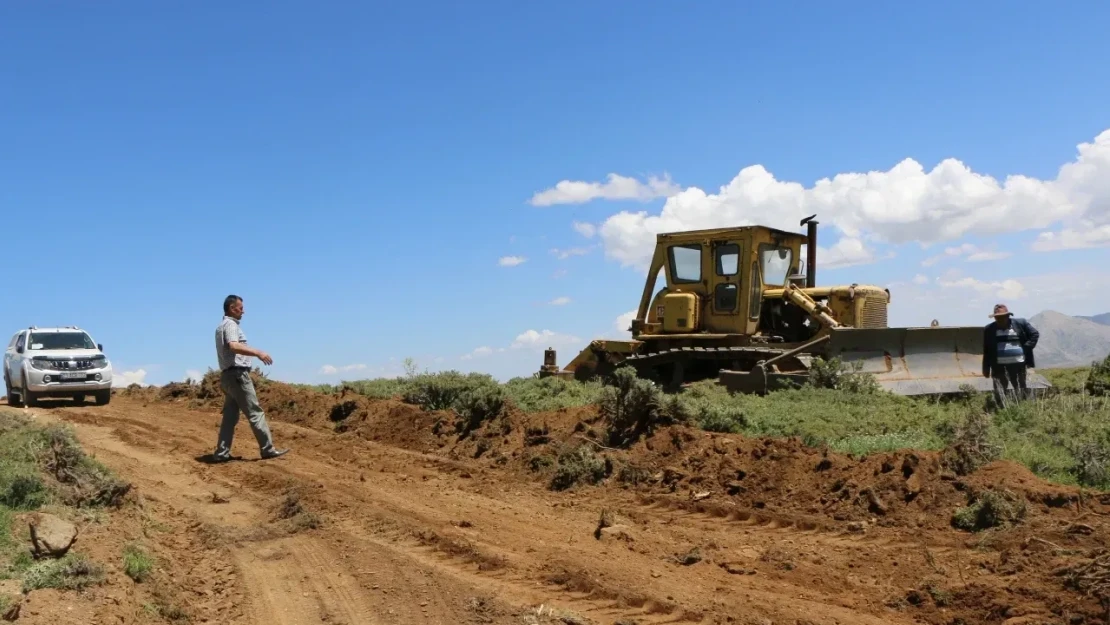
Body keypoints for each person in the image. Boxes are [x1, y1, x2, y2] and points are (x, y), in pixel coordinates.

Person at [212, 294, 289, 462]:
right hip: (238, 375)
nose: (243, 311)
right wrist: (258, 352)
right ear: (232, 309)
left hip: (227, 377)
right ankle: (267, 449)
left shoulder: (220, 326)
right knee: (255, 412)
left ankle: (221, 453)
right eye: (240, 308)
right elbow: (233, 345)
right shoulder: (231, 325)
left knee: (230, 417)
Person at [982, 303, 1039, 408]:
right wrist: (986, 368)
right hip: (998, 366)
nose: (1000, 320)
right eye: (998, 318)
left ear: (1008, 316)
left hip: (1018, 365)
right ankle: (1001, 410)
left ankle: (1023, 408)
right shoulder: (989, 329)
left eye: (1003, 317)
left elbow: (1034, 334)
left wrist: (1025, 348)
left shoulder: (1020, 323)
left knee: (1020, 388)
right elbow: (987, 349)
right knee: (1000, 391)